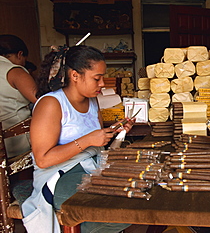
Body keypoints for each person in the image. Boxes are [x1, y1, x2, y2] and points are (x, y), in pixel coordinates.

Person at [21, 45, 135, 233]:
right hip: (58, 177)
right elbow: (42, 160)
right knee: (117, 210)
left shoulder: (91, 100)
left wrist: (116, 132)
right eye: (96, 78)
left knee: (133, 198)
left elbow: (97, 143)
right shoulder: (51, 104)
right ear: (75, 75)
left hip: (90, 168)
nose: (102, 84)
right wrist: (88, 140)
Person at [0, 34, 37, 158]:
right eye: (24, 60)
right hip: (14, 140)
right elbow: (41, 100)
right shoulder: (14, 71)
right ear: (20, 54)